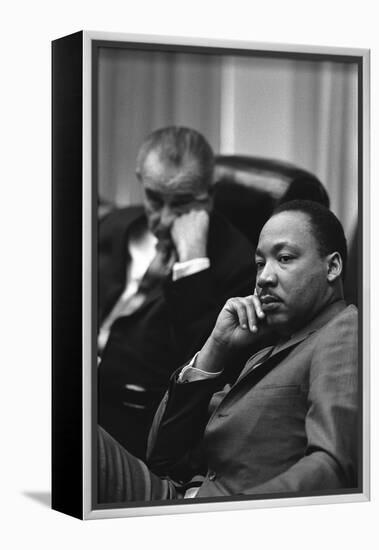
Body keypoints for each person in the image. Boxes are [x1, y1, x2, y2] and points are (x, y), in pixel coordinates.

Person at [97, 199, 359, 503]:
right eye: (260, 263)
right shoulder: (264, 349)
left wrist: (223, 515)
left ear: (332, 267)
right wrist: (215, 348)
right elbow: (160, 456)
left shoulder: (344, 329)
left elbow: (333, 465)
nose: (264, 278)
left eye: (284, 258)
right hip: (174, 493)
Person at [97, 127, 255, 459]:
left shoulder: (239, 265)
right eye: (155, 199)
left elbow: (204, 374)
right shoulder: (111, 228)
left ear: (208, 195)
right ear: (141, 180)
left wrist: (193, 265)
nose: (165, 220)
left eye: (183, 204)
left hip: (134, 430)